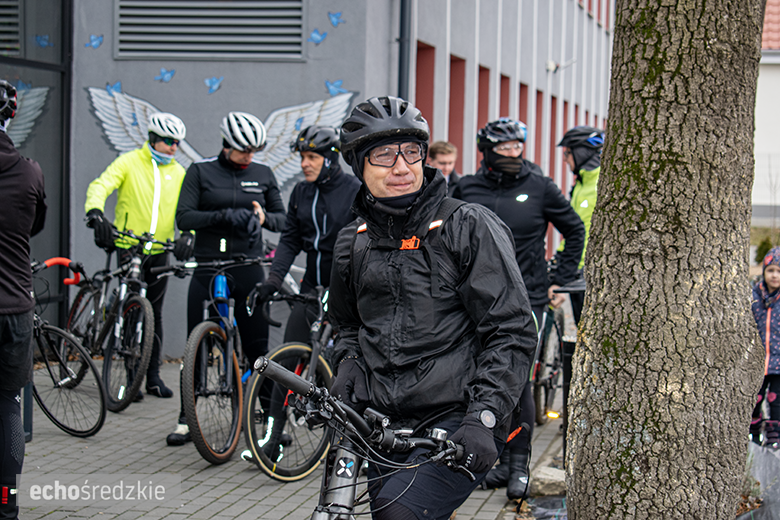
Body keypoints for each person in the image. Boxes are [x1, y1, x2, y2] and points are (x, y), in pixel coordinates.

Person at [329, 96, 536, 519]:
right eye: (383, 156)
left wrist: (484, 416)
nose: (402, 167)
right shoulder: (353, 241)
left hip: (460, 415)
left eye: (411, 152)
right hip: (383, 420)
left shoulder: (467, 225)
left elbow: (511, 330)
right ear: (358, 165)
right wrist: (348, 360)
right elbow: (347, 323)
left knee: (398, 514)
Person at [452, 118, 585, 500]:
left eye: (517, 147)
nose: (513, 153)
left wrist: (560, 276)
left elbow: (575, 229)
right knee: (480, 376)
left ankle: (519, 467)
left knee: (517, 378)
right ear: (487, 151)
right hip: (475, 298)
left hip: (527, 297)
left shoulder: (540, 186)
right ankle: (493, 461)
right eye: (504, 148)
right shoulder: (467, 187)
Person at [166, 111, 286, 446]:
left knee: (258, 347)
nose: (249, 156)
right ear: (226, 144)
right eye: (243, 150)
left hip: (247, 265)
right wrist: (222, 215)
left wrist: (263, 217)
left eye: (254, 150)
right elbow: (184, 217)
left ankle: (271, 421)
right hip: (209, 265)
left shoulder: (263, 174)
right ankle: (186, 419)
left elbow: (282, 219)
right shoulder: (200, 171)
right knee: (195, 345)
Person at [85, 112, 194, 400]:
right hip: (128, 245)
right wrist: (95, 213)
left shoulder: (179, 173)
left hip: (160, 250)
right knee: (132, 308)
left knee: (154, 314)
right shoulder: (130, 161)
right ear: (153, 139)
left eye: (178, 143)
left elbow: (188, 210)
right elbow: (101, 185)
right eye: (169, 141)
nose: (174, 147)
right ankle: (131, 375)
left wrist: (189, 234)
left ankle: (153, 377)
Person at [256, 125, 361, 343]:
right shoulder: (301, 192)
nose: (304, 164)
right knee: (290, 351)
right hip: (312, 286)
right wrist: (274, 280)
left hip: (347, 287)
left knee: (341, 354)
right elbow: (290, 240)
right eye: (303, 157)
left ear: (330, 159)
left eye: (312, 157)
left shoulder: (355, 190)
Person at [0, 79, 46, 520]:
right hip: (14, 306)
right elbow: (34, 224)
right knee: (8, 406)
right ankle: (5, 504)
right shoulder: (30, 171)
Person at [556, 125, 604, 454]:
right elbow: (575, 231)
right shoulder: (581, 183)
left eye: (568, 153)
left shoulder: (601, 182)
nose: (565, 159)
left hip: (592, 277)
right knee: (578, 343)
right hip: (575, 274)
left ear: (583, 152)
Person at [751, 247, 780, 449]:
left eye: (779, 271)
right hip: (758, 361)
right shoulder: (755, 296)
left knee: (775, 399)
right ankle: (754, 429)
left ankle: (774, 436)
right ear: (764, 272)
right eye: (771, 270)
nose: (775, 275)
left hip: (778, 361)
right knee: (755, 397)